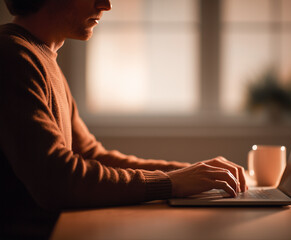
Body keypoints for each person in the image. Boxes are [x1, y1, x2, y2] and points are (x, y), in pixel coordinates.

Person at [0, 0, 247, 238]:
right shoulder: (12, 57)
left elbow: (90, 155)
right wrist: (171, 182)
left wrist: (189, 173)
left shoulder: (39, 56)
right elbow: (57, 181)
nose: (105, 4)